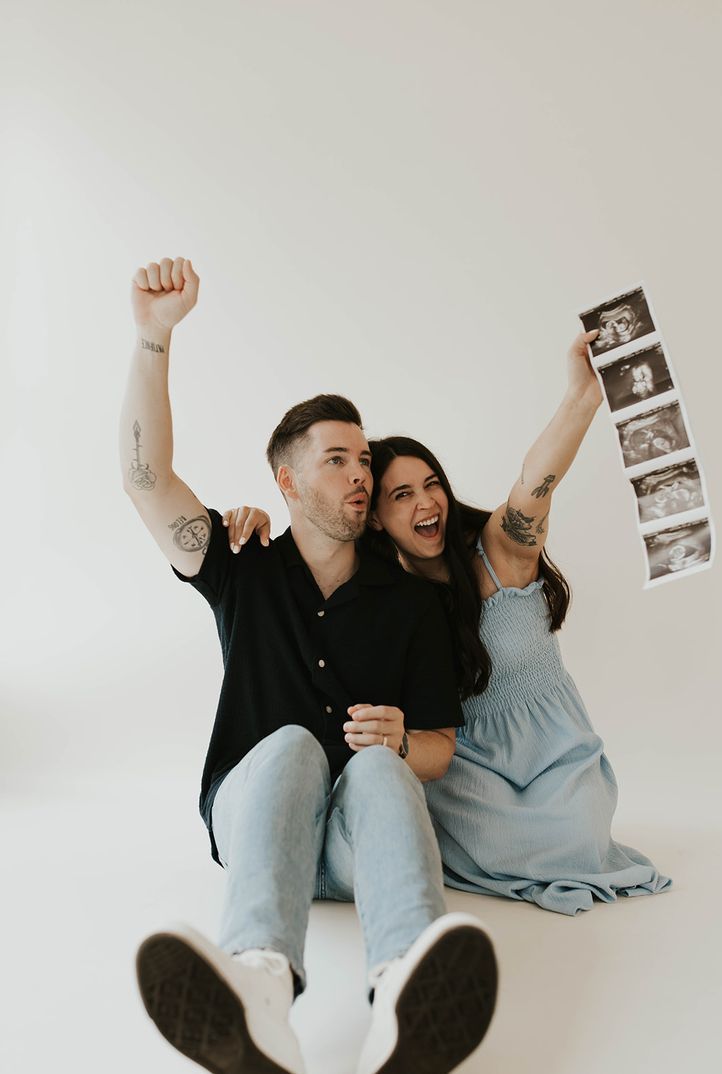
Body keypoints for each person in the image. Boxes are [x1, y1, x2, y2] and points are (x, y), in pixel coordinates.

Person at [120, 257, 497, 1074]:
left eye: (365, 460)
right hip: (257, 822)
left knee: (378, 769)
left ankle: (406, 998)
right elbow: (145, 481)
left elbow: (440, 747)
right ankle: (257, 989)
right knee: (291, 744)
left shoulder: (410, 606)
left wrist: (402, 740)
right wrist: (154, 336)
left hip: (358, 849)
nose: (361, 475)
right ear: (286, 480)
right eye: (338, 459)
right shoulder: (241, 559)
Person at [226, 330, 671, 916]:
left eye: (431, 484)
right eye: (401, 495)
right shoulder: (390, 599)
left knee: (580, 835)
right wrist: (258, 516)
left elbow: (536, 483)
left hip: (551, 750)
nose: (425, 503)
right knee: (433, 826)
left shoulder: (499, 550)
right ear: (376, 518)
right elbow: (310, 569)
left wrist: (581, 398)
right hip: (464, 767)